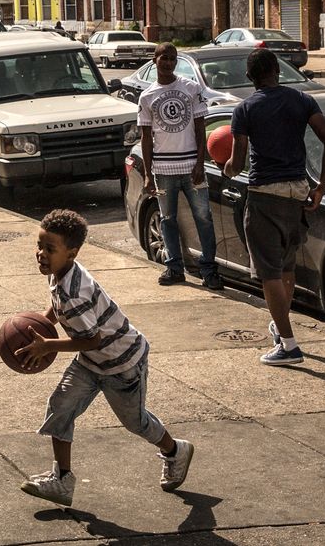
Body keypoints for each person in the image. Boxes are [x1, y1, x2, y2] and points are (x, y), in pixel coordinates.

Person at [14, 209, 194, 507]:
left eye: (49, 249)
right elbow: (59, 308)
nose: (41, 254)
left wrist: (49, 345)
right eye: (39, 246)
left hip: (122, 363)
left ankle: (175, 450)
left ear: (72, 254)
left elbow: (92, 338)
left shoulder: (75, 293)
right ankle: (62, 479)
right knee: (61, 406)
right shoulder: (61, 273)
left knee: (136, 423)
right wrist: (44, 324)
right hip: (90, 361)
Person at [222, 49, 325, 367]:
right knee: (286, 268)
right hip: (297, 193)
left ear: (249, 77)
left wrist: (227, 167)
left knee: (269, 273)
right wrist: (321, 187)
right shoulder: (302, 100)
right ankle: (280, 326)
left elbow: (239, 159)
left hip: (265, 196)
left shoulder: (245, 108)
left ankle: (288, 345)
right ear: (278, 70)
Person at [138, 43, 221, 290]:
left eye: (173, 59)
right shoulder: (147, 96)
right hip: (163, 171)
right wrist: (148, 174)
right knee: (168, 219)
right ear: (155, 60)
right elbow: (145, 137)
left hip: (191, 168)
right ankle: (174, 268)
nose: (168, 63)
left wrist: (199, 163)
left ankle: (209, 271)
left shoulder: (190, 88)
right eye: (164, 58)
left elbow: (199, 128)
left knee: (204, 218)